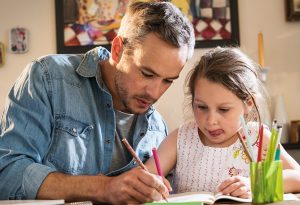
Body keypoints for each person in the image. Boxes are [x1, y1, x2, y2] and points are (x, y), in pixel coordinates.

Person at [0, 1, 195, 204]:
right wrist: (104, 187)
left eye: (168, 81)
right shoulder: (48, 77)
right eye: (147, 74)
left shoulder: (157, 128)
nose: (155, 93)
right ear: (118, 49)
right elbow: (6, 172)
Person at [146, 47, 300, 198]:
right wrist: (151, 185)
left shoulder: (259, 138)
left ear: (248, 103)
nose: (211, 121)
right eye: (202, 107)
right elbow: (145, 176)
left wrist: (256, 183)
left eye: (224, 109)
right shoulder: (181, 138)